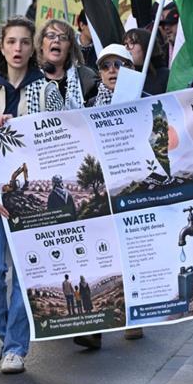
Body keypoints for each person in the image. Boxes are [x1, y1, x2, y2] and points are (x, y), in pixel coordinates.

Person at [0, 15, 64, 374]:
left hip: (31, 198)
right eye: (11, 42)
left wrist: (20, 131)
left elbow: (58, 141)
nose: (17, 49)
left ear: (31, 47)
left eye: (23, 42)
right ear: (1, 48)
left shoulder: (47, 91)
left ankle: (17, 346)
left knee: (24, 274)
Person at [77, 43, 144, 349]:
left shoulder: (146, 103)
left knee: (130, 257)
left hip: (134, 191)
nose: (112, 71)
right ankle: (96, 325)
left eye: (119, 65)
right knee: (100, 260)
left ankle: (133, 316)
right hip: (101, 195)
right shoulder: (87, 108)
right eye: (105, 66)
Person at [36, 18, 99, 109]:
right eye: (51, 36)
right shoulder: (29, 78)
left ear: (70, 48)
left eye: (63, 37)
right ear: (41, 44)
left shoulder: (87, 80)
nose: (57, 40)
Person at [123, 28, 170, 95]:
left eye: (132, 43)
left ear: (146, 46)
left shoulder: (166, 76)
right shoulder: (125, 78)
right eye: (125, 44)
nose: (127, 48)